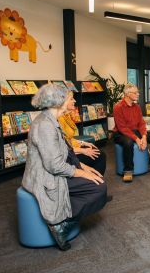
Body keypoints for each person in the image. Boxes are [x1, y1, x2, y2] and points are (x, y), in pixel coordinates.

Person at [22, 84, 107, 251]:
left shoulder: (51, 120)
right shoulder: (45, 126)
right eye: (69, 98)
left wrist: (83, 167)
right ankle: (60, 224)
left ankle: (64, 216)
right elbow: (54, 165)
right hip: (45, 177)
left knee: (98, 183)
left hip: (55, 172)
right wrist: (81, 172)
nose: (72, 100)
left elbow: (66, 152)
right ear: (58, 101)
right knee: (98, 189)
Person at [113, 84, 150, 182]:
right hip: (120, 133)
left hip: (135, 131)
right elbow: (122, 128)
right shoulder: (118, 107)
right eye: (135, 92)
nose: (138, 94)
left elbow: (141, 124)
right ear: (127, 94)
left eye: (138, 92)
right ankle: (128, 170)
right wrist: (137, 139)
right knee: (128, 142)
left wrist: (144, 137)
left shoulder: (136, 107)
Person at [58, 92, 107, 175]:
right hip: (67, 155)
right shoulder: (59, 119)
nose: (75, 101)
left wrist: (83, 142)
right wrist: (83, 151)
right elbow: (62, 147)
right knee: (100, 155)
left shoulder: (66, 116)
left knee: (97, 152)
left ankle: (93, 178)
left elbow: (69, 138)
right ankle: (94, 181)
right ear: (63, 102)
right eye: (71, 99)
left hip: (72, 148)